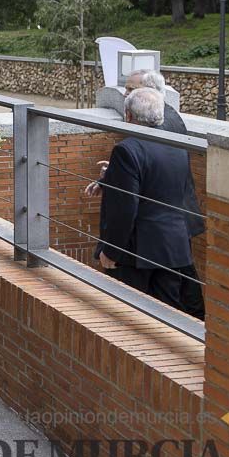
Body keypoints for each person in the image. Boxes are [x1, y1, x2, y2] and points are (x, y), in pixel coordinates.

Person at [92, 88, 203, 319]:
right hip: (173, 247)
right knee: (169, 315)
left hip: (137, 252)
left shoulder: (126, 150)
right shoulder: (177, 145)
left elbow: (124, 209)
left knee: (132, 316)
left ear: (129, 116)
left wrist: (111, 250)